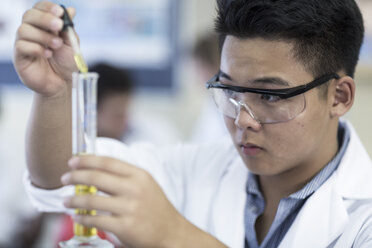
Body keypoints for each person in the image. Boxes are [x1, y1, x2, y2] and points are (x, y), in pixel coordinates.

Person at [14, 0, 372, 247]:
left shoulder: (364, 218)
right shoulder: (195, 168)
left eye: (271, 96)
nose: (242, 120)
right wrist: (54, 95)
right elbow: (62, 179)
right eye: (228, 91)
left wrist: (178, 237)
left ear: (339, 97)